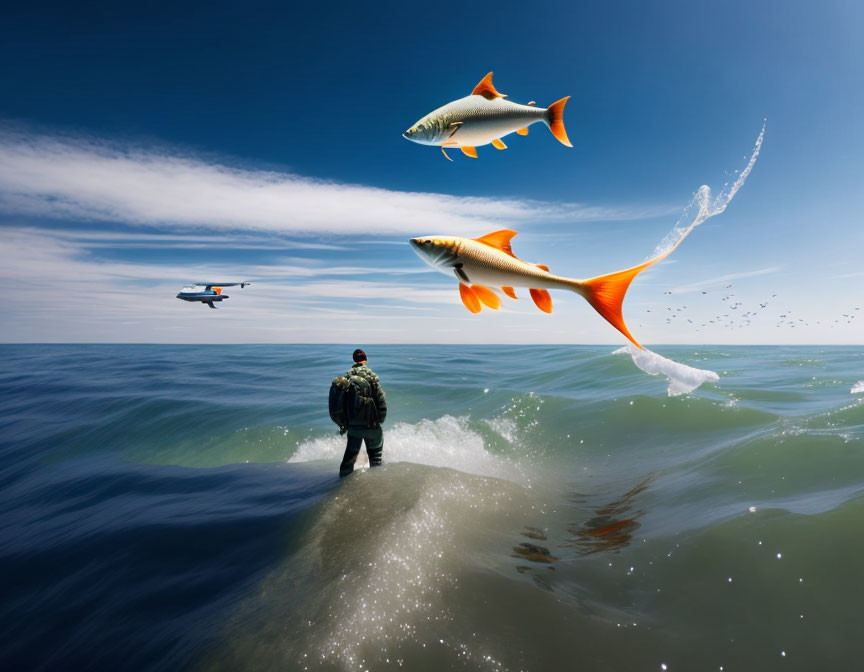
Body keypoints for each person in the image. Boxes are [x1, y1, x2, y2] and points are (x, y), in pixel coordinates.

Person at [339, 348, 387, 477]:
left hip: (354, 427)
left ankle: (341, 484)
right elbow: (380, 400)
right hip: (371, 424)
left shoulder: (347, 377)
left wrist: (344, 423)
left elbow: (341, 402)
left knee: (349, 459)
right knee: (376, 459)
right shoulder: (372, 376)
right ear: (366, 359)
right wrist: (380, 419)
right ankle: (375, 484)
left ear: (354, 360)